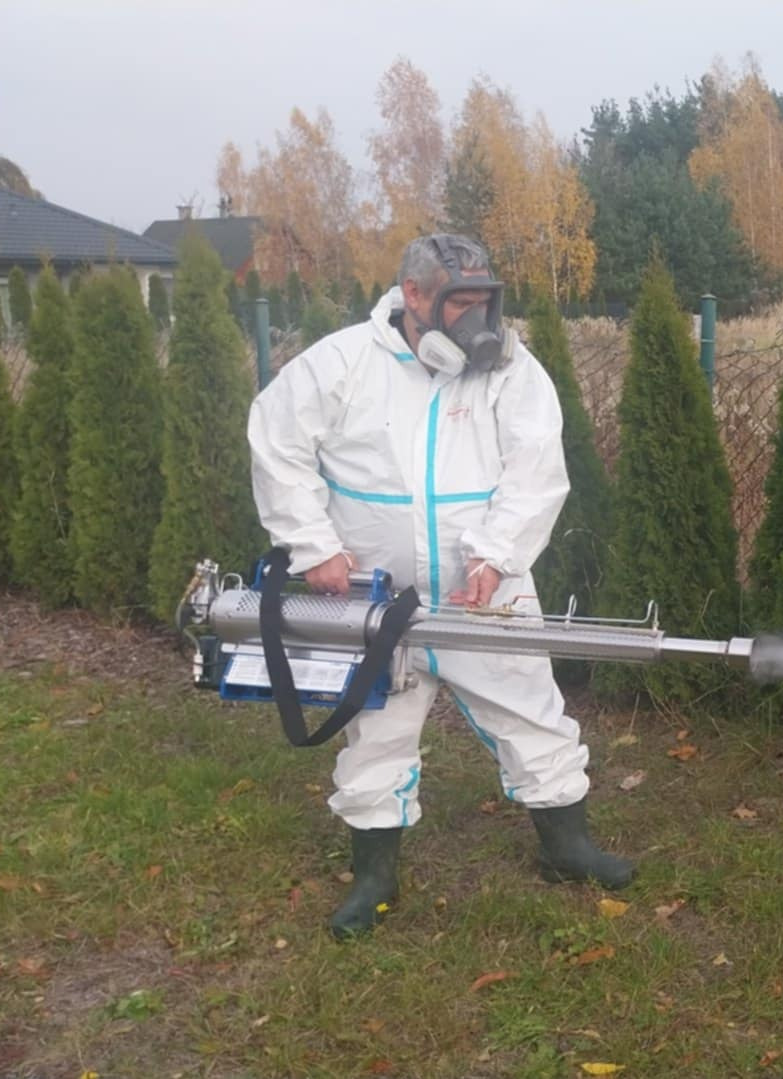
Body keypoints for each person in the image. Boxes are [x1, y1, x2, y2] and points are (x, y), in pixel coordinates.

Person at [247, 234, 631, 940]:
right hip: (373, 595)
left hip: (484, 590)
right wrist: (314, 545)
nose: (476, 318)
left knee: (532, 711)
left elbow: (535, 469)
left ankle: (566, 848)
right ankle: (375, 877)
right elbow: (277, 442)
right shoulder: (340, 364)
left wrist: (497, 554)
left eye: (485, 300)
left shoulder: (510, 371)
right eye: (461, 300)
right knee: (375, 730)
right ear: (414, 295)